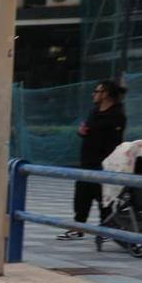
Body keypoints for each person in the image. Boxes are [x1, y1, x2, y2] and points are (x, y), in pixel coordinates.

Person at [58, 80, 126, 240]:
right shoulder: (94, 112)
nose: (93, 94)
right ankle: (78, 226)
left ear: (106, 94)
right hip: (87, 161)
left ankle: (106, 229)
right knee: (81, 196)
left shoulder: (117, 115)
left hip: (103, 164)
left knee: (103, 199)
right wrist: (82, 132)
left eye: (97, 91)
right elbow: (89, 131)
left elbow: (114, 142)